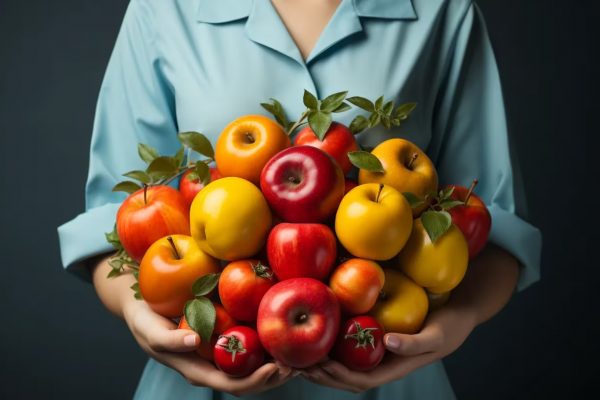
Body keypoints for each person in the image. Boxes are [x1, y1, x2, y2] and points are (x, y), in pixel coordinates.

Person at [57, 0, 542, 398]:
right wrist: (143, 318)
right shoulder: (165, 9)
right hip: (208, 370)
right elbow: (113, 223)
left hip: (391, 372)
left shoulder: (441, 10)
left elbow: (493, 224)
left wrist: (454, 324)